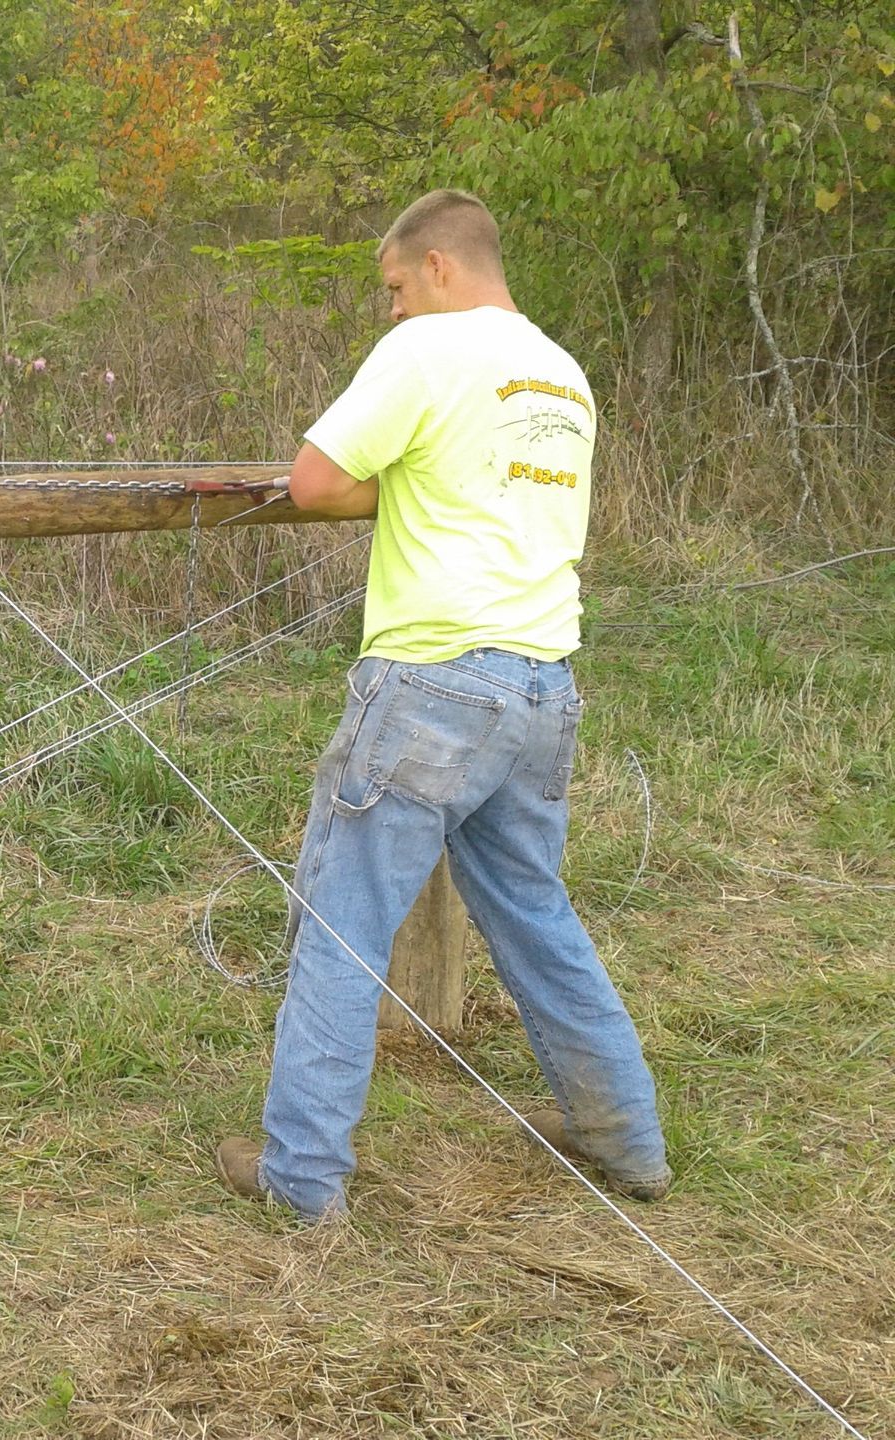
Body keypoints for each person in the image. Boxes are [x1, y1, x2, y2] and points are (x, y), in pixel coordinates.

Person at [213, 189, 671, 1221]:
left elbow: (316, 481)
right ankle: (626, 1142)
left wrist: (396, 488)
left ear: (438, 268)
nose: (388, 313)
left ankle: (301, 1179)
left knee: (341, 927)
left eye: (391, 289)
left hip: (432, 682)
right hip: (543, 685)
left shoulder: (425, 353)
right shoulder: (560, 374)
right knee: (537, 916)